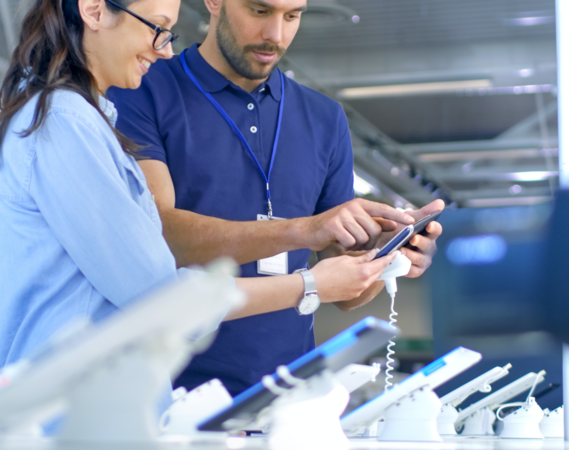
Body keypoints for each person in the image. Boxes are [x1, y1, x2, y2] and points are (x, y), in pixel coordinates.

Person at [0, 0, 398, 371]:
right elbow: (158, 294)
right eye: (156, 28)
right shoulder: (68, 123)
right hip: (74, 410)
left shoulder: (86, 121)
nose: (165, 50)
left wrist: (383, 258)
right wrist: (307, 281)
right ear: (94, 10)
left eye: (293, 15)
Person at [109, 0, 445, 396]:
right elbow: (161, 234)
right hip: (172, 393)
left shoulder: (324, 117)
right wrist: (304, 230)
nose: (276, 35)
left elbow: (343, 291)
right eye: (259, 11)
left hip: (289, 395)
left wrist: (387, 258)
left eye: (292, 16)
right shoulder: (141, 87)